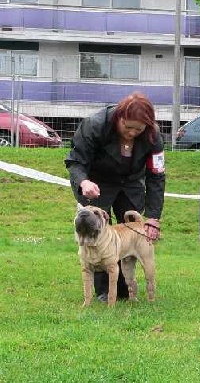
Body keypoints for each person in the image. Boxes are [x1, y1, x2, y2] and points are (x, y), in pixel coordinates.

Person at [65, 91, 164, 302]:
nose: (132, 132)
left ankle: (127, 288)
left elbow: (156, 176)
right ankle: (104, 291)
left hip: (130, 184)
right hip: (95, 183)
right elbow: (75, 162)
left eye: (139, 129)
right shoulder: (94, 125)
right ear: (119, 117)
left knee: (128, 232)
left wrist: (154, 217)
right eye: (127, 127)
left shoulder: (153, 135)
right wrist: (84, 181)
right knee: (97, 232)